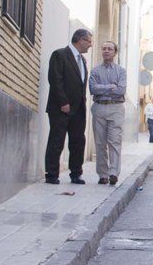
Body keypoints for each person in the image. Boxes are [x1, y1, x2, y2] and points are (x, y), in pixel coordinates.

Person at [45, 29, 92, 185]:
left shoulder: (83, 61)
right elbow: (55, 80)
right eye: (89, 41)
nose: (90, 45)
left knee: (78, 141)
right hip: (61, 108)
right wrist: (63, 102)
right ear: (79, 40)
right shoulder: (59, 55)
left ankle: (76, 174)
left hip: (78, 109)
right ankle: (51, 174)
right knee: (57, 140)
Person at [89, 41, 127, 185]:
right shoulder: (95, 71)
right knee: (100, 143)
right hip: (99, 107)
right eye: (104, 48)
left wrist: (102, 88)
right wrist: (111, 87)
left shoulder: (121, 71)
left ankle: (113, 173)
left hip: (116, 108)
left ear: (115, 52)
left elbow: (121, 90)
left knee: (114, 141)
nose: (106, 51)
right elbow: (93, 89)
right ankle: (102, 174)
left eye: (109, 49)